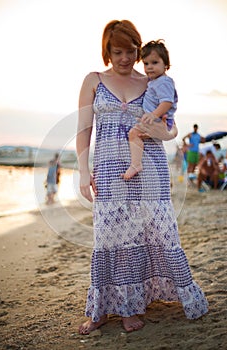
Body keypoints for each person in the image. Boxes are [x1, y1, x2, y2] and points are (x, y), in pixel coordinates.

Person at [76, 19, 208, 335]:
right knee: (109, 237)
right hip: (109, 169)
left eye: (131, 51)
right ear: (107, 51)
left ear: (139, 50)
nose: (124, 58)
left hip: (149, 170)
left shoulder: (151, 82)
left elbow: (172, 125)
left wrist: (166, 130)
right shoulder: (93, 80)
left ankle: (131, 307)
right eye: (117, 51)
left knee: (147, 235)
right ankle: (103, 309)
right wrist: (83, 170)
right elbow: (83, 129)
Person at [122, 39, 178, 180]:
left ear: (166, 64)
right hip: (157, 119)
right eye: (146, 64)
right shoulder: (155, 82)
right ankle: (136, 163)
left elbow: (167, 102)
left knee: (133, 133)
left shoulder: (163, 82)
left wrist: (153, 115)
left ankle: (136, 164)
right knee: (136, 134)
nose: (149, 67)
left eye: (154, 63)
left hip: (160, 120)